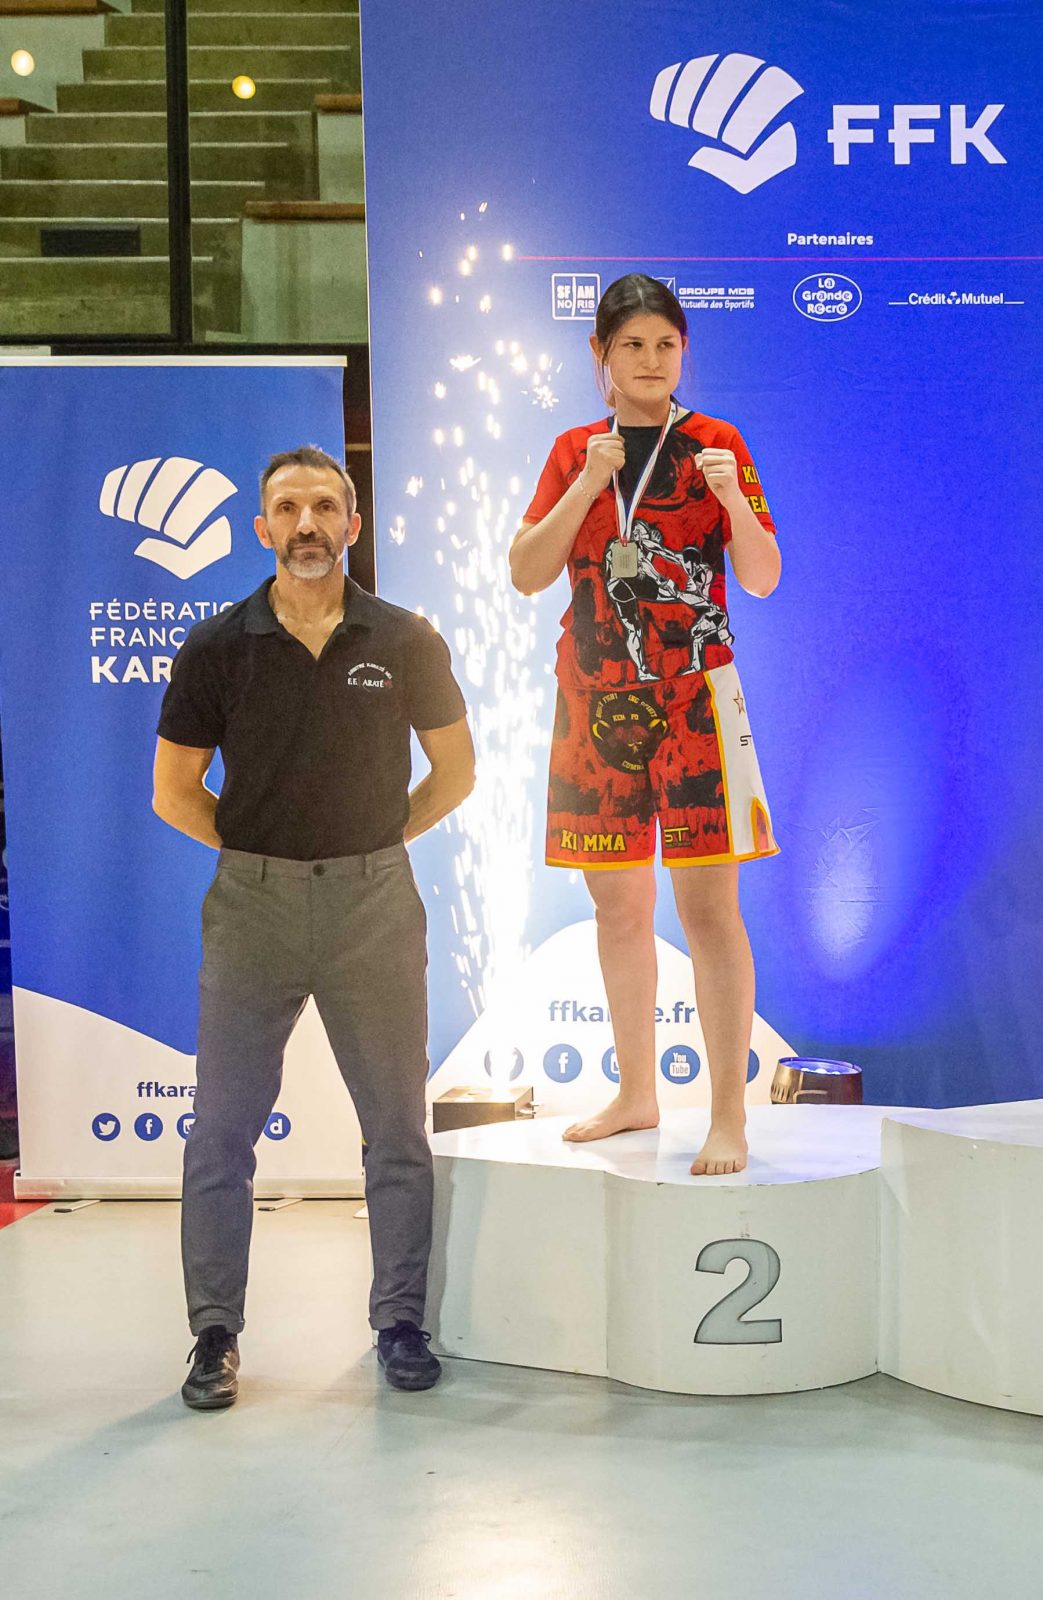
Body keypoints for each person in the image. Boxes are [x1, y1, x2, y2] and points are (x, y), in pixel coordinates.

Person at [153, 446, 477, 1410]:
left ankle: (401, 1322)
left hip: (373, 905)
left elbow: (457, 772)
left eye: (325, 507)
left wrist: (375, 842)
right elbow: (175, 793)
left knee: (396, 1128)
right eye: (288, 508)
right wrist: (263, 851)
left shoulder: (405, 639)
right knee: (222, 1129)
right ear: (262, 528)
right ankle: (214, 1335)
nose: (307, 524)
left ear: (352, 525)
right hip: (250, 908)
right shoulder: (216, 647)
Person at [510, 273, 782, 1176]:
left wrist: (732, 501)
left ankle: (729, 1115)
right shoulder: (573, 451)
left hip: (696, 702)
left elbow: (763, 576)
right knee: (618, 907)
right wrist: (589, 483)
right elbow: (525, 571)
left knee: (710, 910)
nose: (651, 360)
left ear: (684, 351)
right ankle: (636, 1091)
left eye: (666, 344)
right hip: (594, 704)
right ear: (600, 354)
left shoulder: (717, 444)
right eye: (632, 345)